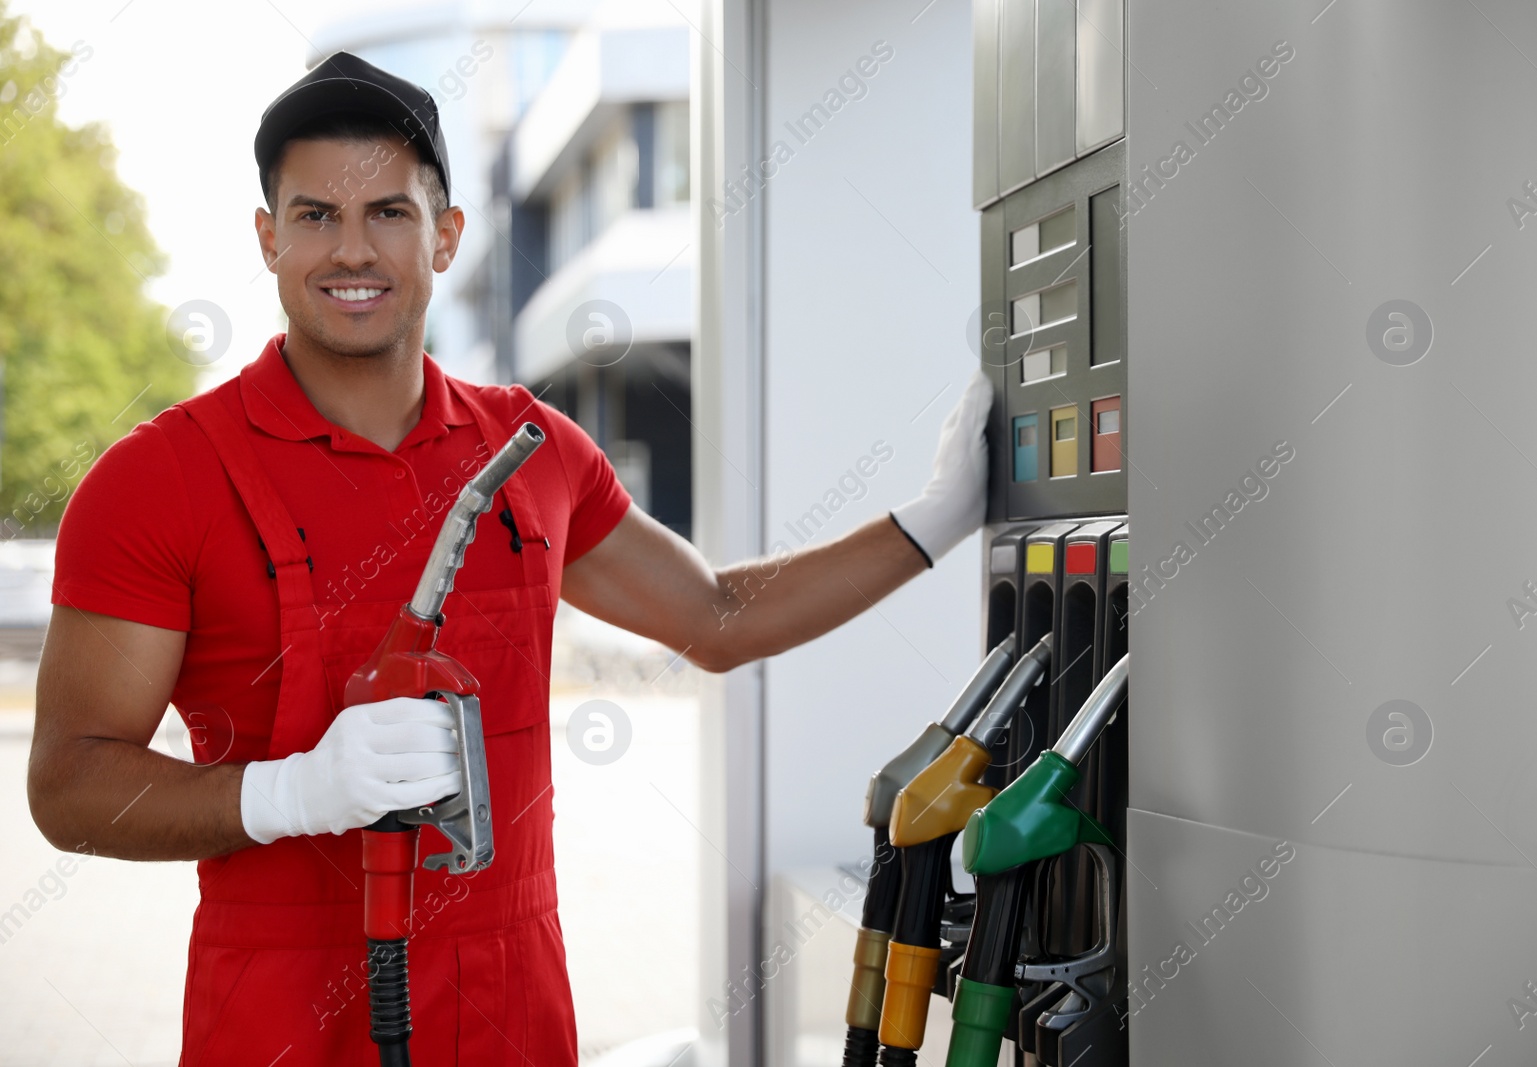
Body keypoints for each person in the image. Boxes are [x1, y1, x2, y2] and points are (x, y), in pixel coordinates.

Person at [24, 52, 991, 1066]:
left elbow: (715, 616)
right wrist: (285, 795)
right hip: (278, 1019)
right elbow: (69, 782)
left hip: (510, 1009)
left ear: (445, 236)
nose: (351, 248)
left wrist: (934, 517)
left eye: (389, 212)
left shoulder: (527, 452)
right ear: (267, 237)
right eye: (314, 215)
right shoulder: (161, 479)